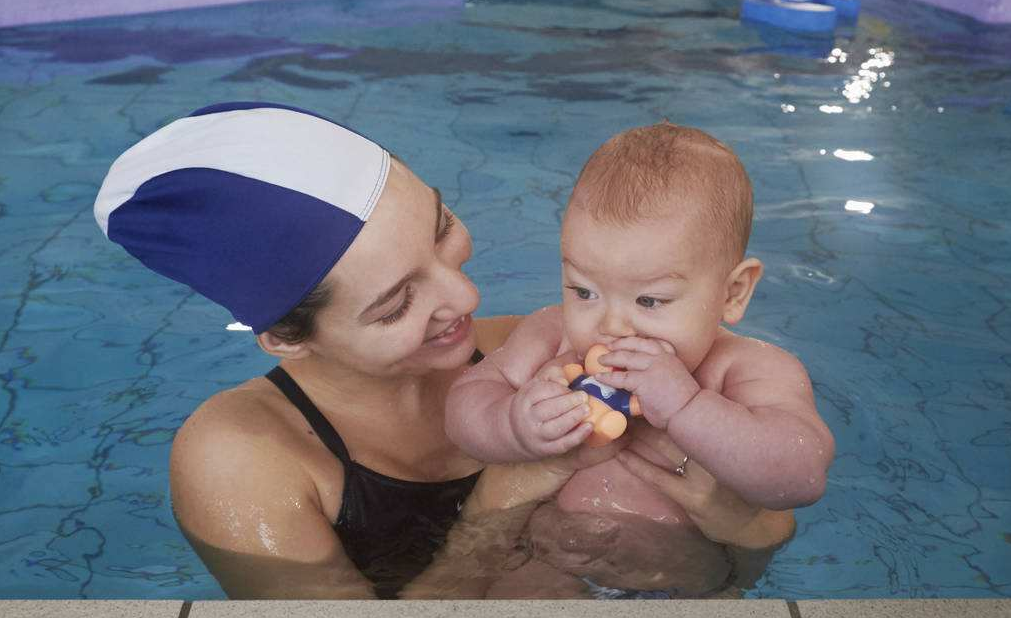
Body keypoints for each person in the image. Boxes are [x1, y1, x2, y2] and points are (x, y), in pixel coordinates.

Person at [94, 103, 794, 599]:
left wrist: (733, 517)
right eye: (397, 303)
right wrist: (500, 503)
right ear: (286, 338)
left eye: (441, 230)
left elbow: (760, 532)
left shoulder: (537, 347)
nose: (463, 297)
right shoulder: (242, 458)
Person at [445, 122, 835, 596]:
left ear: (733, 293)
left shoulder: (750, 371)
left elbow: (801, 475)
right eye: (583, 290)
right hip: (545, 557)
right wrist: (514, 423)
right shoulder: (550, 336)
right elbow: (464, 402)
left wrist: (688, 408)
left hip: (682, 575)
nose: (610, 326)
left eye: (650, 302)